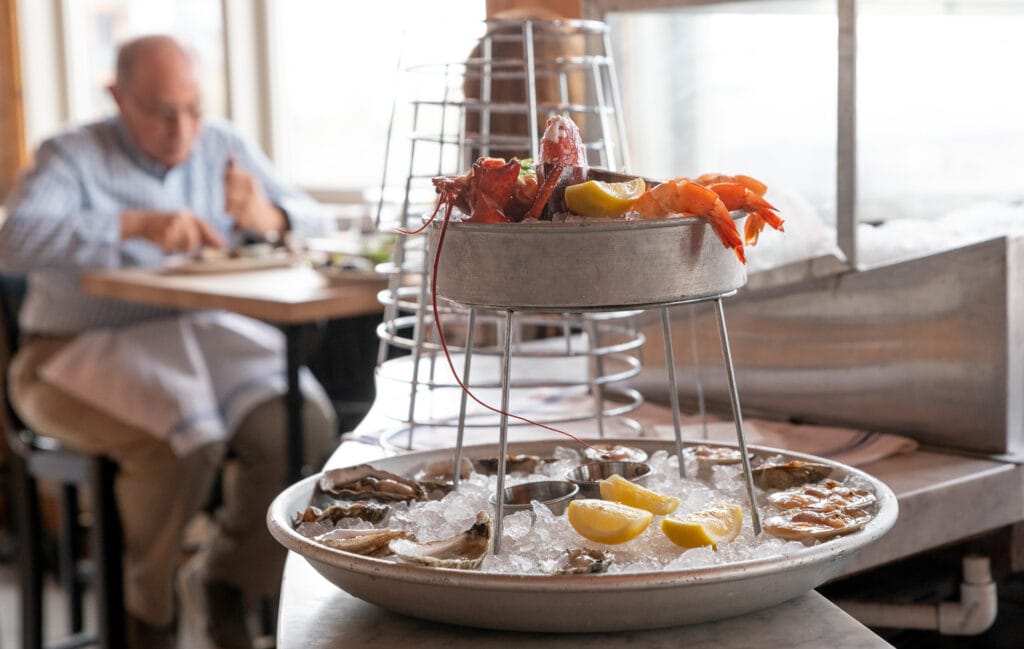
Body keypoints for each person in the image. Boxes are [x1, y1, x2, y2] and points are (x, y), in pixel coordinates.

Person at [0, 35, 337, 649]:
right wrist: (133, 224)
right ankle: (145, 614)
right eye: (161, 111)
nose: (183, 129)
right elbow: (14, 237)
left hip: (198, 340)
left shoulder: (222, 144)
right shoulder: (72, 154)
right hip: (67, 352)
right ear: (117, 97)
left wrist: (271, 218)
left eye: (193, 108)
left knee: (301, 419)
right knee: (185, 437)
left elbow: (318, 221)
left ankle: (226, 581)